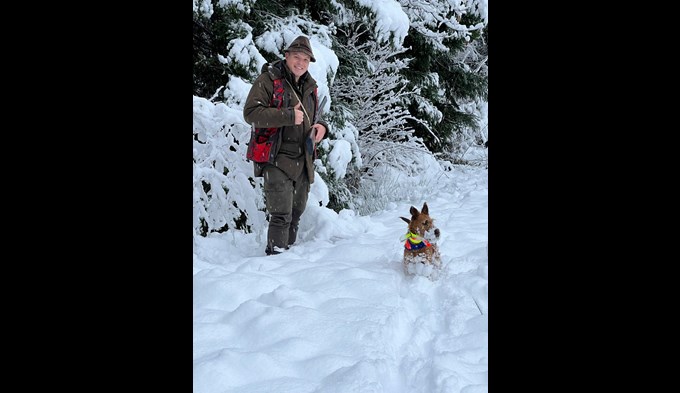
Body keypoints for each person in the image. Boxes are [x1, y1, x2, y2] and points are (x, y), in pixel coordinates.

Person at [243, 35, 330, 255]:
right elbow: (251, 114)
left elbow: (314, 117)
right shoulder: (268, 80)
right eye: (297, 57)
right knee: (281, 214)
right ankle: (275, 260)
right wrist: (288, 116)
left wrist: (322, 128)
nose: (301, 63)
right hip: (276, 156)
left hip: (303, 159)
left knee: (296, 213)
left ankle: (287, 263)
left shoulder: (310, 85)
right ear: (286, 56)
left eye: (306, 60)